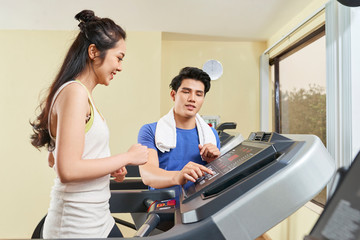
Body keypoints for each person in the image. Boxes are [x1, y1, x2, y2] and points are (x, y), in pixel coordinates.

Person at [30, 10, 148, 238]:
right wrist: (127, 157)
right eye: (119, 57)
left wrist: (109, 167)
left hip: (97, 219)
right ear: (94, 52)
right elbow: (68, 169)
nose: (120, 67)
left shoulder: (78, 93)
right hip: (76, 227)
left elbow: (53, 158)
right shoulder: (74, 93)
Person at [137, 67, 220, 190]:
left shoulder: (210, 134)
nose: (192, 98)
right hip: (163, 202)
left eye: (198, 94)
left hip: (199, 204)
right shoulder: (150, 131)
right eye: (186, 92)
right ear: (173, 95)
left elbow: (217, 179)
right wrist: (178, 176)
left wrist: (214, 162)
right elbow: (148, 175)